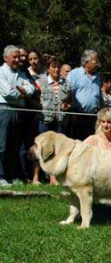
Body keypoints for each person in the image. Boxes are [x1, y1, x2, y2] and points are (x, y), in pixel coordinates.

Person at [33, 56, 72, 185]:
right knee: (40, 147)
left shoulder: (66, 83)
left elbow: (70, 101)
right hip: (44, 119)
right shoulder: (40, 82)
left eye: (58, 66)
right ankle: (36, 177)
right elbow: (33, 99)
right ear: (48, 69)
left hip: (60, 120)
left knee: (57, 149)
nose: (56, 69)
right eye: (53, 66)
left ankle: (53, 178)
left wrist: (67, 106)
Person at [0, 45, 36, 186]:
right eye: (14, 57)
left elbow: (31, 89)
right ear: (6, 57)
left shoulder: (21, 74)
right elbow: (8, 93)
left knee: (14, 145)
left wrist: (21, 90)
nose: (17, 59)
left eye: (18, 57)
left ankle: (11, 175)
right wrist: (22, 92)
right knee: (2, 145)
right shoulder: (1, 72)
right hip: (4, 110)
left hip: (18, 111)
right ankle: (1, 176)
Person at [67, 49, 102, 140]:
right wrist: (72, 112)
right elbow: (68, 94)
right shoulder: (74, 74)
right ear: (86, 62)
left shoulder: (97, 76)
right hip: (78, 116)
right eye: (95, 61)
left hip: (93, 117)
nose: (97, 63)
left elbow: (99, 96)